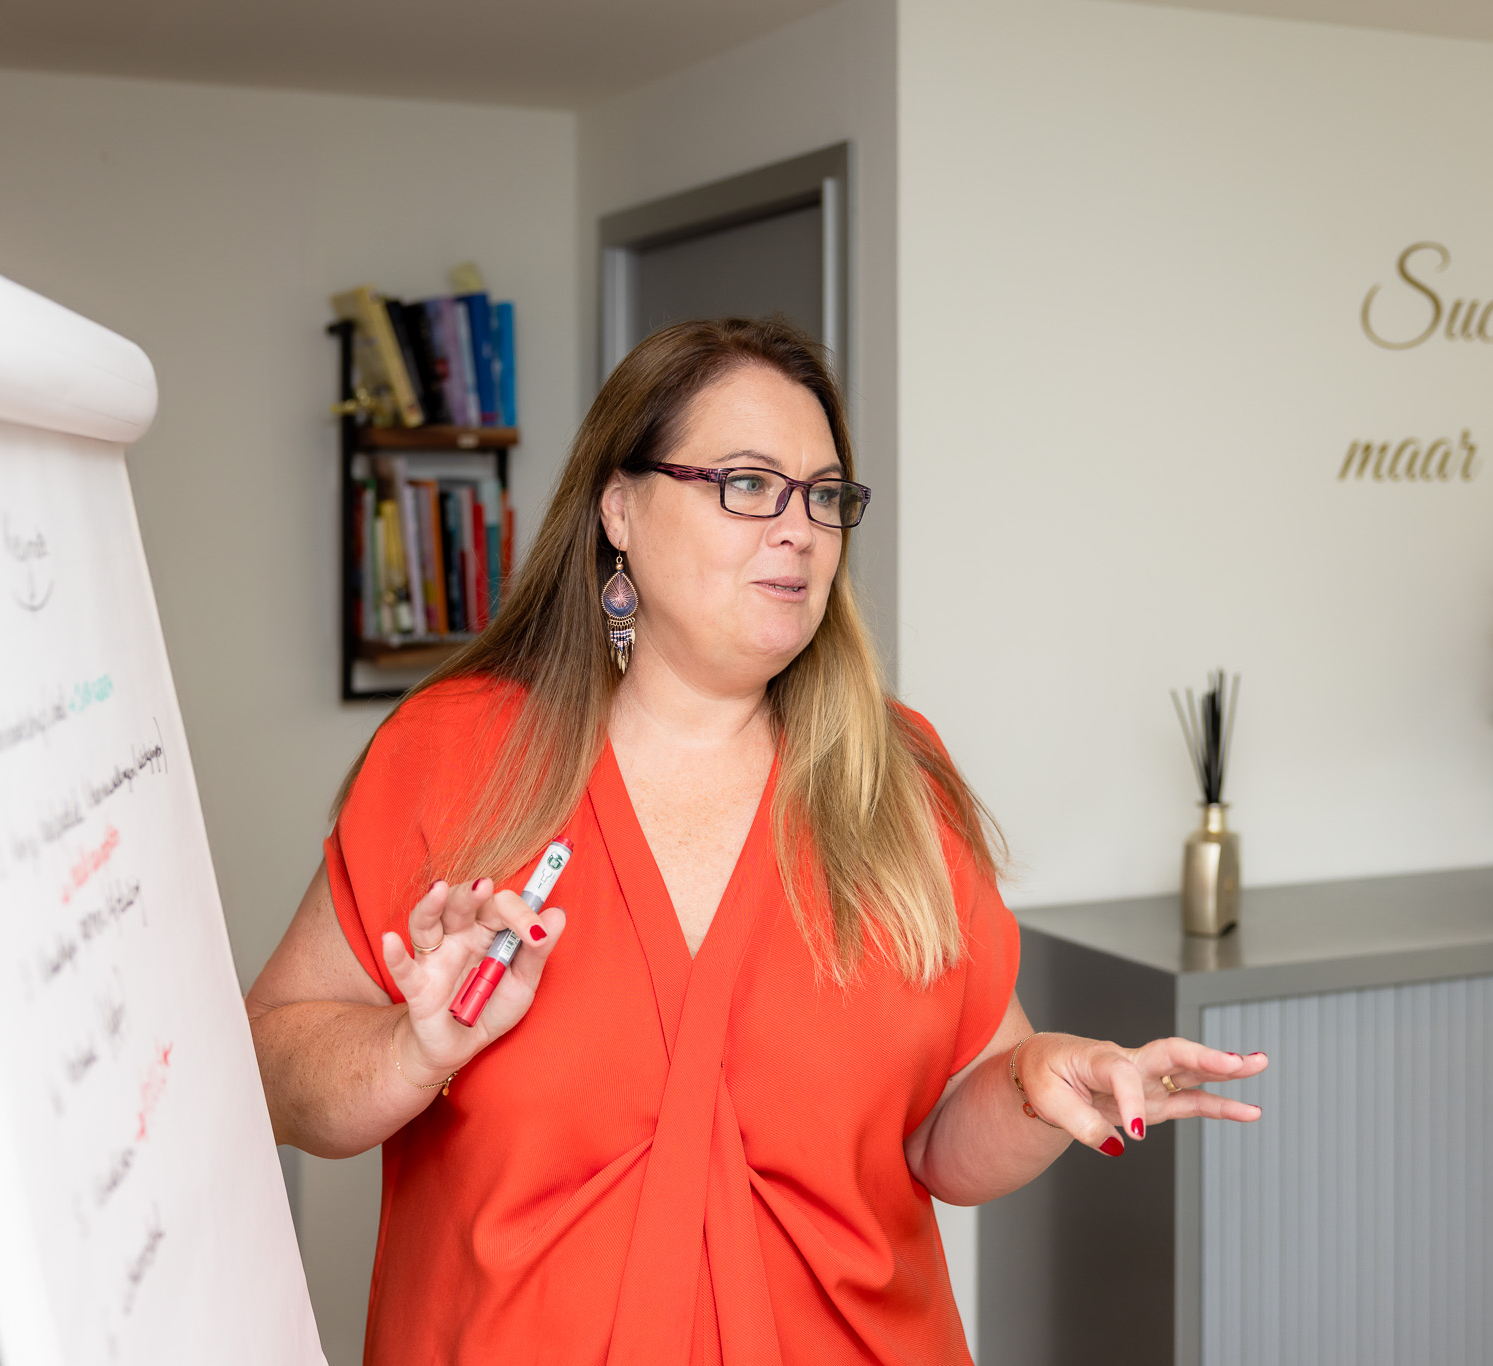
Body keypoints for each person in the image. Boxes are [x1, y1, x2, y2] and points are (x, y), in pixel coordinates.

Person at [246, 317, 1266, 1364]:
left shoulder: (895, 779)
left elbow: (943, 1139)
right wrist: (410, 1050)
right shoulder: (455, 756)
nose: (799, 530)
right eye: (746, 484)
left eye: (823, 496)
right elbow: (268, 1062)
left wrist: (1037, 1084)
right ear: (618, 508)